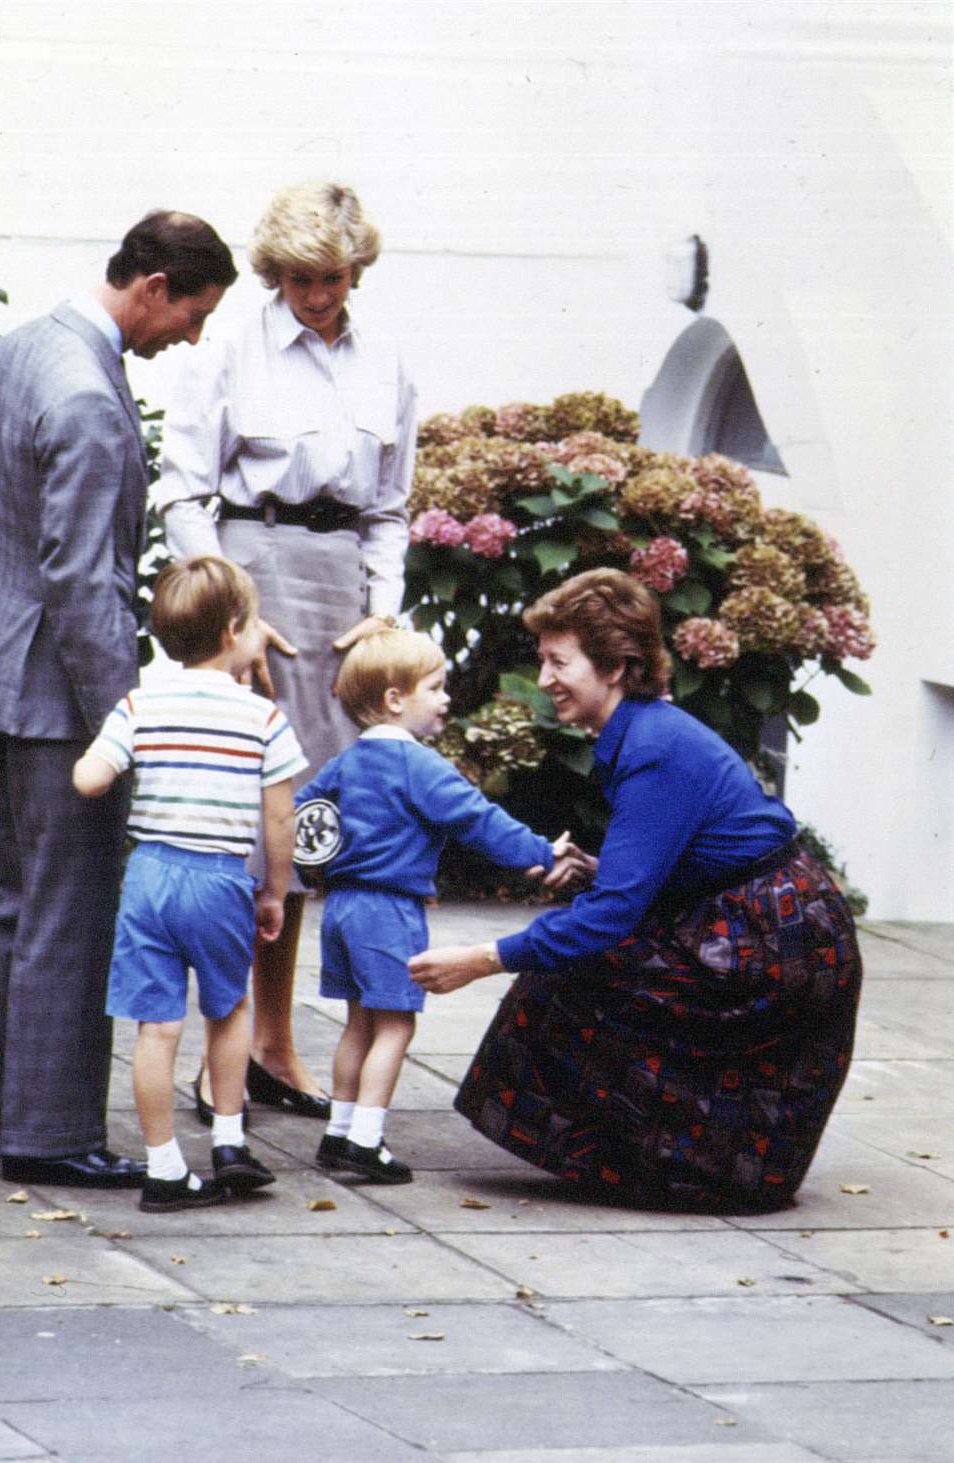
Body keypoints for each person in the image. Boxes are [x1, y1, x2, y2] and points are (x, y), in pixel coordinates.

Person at [410, 569, 864, 1214]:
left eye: (558, 662)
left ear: (616, 667)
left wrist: (478, 959)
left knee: (567, 967)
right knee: (576, 960)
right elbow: (670, 863)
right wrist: (606, 870)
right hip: (776, 928)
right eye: (544, 661)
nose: (545, 680)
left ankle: (690, 1169)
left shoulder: (652, 746)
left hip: (776, 945)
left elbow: (608, 919)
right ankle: (686, 1163)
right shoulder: (648, 731)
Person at [0, 211, 237, 1188]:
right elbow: (80, 582)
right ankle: (48, 1131)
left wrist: (22, 577)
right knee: (71, 914)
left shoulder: (25, 347)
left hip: (3, 668)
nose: (190, 336)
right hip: (62, 697)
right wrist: (130, 718)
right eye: (192, 314)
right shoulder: (88, 399)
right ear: (150, 285)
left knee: (19, 903)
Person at [156, 181, 416, 1122]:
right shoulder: (231, 344)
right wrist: (231, 610)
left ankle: (275, 1042)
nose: (318, 295)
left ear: (357, 271)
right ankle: (218, 1049)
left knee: (313, 828)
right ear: (275, 273)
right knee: (244, 822)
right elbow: (183, 493)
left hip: (342, 590)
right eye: (301, 278)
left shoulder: (384, 355)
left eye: (334, 277)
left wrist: (383, 618)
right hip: (249, 577)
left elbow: (390, 506)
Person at [296, 629, 577, 1184]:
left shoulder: (346, 763)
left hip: (341, 908)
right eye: (436, 687)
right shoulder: (419, 766)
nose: (446, 698)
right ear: (395, 699)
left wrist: (315, 866)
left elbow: (306, 813)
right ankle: (365, 1140)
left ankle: (338, 1130)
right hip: (390, 909)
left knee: (358, 1023)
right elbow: (477, 819)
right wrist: (541, 852)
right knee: (396, 1025)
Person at [73, 557, 305, 1212]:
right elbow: (280, 816)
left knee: (156, 1026)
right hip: (220, 878)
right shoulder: (262, 718)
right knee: (228, 1008)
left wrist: (91, 765)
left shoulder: (140, 703)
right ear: (234, 629)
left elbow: (93, 776)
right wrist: (273, 889)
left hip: (148, 874)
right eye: (257, 620)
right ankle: (229, 1140)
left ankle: (165, 1165)